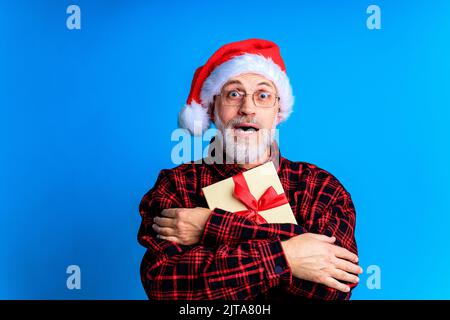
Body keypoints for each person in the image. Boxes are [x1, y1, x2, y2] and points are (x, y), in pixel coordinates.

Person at [138, 39, 362, 300]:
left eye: (263, 96)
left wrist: (211, 226)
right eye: (234, 94)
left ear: (278, 111)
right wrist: (287, 255)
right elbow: (167, 287)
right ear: (212, 108)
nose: (247, 108)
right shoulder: (176, 185)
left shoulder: (319, 186)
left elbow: (334, 288)